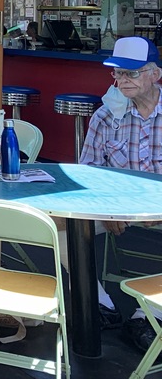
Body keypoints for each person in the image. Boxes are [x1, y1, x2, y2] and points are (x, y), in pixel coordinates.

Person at [74, 36, 162, 349]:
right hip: (117, 209)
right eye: (118, 73)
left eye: (131, 73)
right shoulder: (105, 116)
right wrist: (108, 211)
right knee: (61, 228)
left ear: (155, 74)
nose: (122, 80)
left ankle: (147, 313)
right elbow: (89, 175)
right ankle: (101, 304)